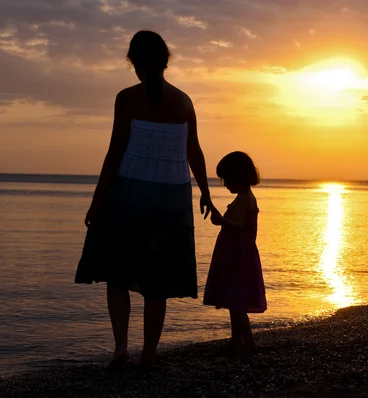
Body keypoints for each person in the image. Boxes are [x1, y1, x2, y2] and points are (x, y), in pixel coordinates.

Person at [75, 30, 212, 367]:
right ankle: (148, 356)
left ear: (134, 63)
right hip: (173, 199)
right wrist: (206, 192)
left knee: (117, 274)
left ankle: (121, 349)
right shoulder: (184, 101)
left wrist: (97, 200)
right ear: (165, 62)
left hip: (130, 195)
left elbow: (115, 151)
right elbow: (194, 150)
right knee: (157, 283)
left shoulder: (127, 98)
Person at [203, 151, 267, 354]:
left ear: (238, 177)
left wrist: (222, 221)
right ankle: (237, 341)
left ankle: (248, 343)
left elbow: (239, 226)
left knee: (237, 303)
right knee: (234, 301)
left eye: (227, 180)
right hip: (238, 254)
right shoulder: (245, 197)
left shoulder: (244, 199)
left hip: (237, 257)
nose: (225, 184)